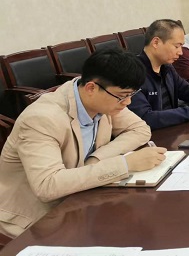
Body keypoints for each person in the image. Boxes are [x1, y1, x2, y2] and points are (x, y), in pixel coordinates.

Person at [0, 49, 166, 238]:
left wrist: (97, 159)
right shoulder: (41, 119)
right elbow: (47, 186)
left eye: (131, 94)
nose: (127, 102)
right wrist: (125, 164)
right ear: (91, 88)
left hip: (79, 200)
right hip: (35, 218)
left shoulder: (102, 100)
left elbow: (140, 129)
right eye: (122, 96)